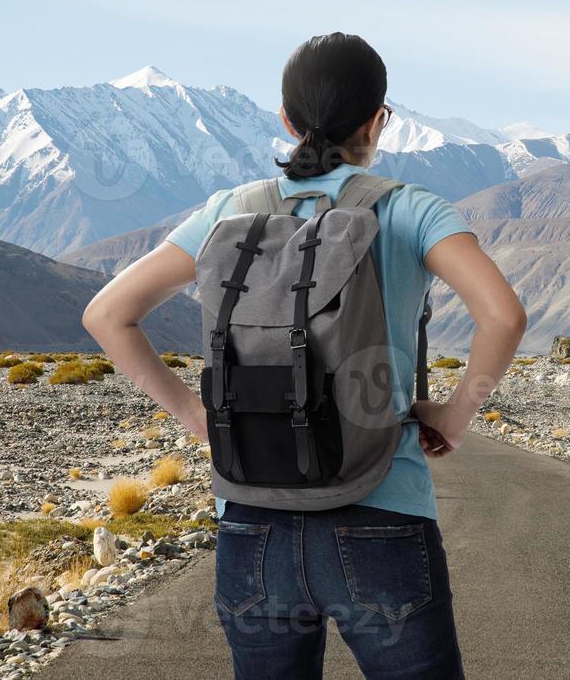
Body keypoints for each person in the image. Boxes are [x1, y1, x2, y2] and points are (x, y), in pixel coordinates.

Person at [83, 33, 528, 679]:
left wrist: (196, 414)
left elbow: (107, 314)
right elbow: (504, 316)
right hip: (384, 508)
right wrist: (453, 417)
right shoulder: (408, 208)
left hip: (250, 515)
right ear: (380, 120)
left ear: (287, 120)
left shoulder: (229, 211)